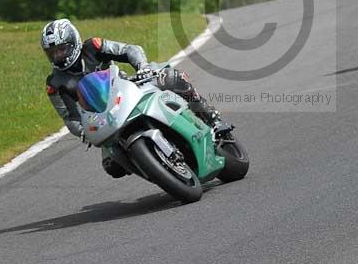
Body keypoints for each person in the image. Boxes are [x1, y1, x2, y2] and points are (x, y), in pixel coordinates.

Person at [41, 18, 229, 177]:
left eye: (61, 49)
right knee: (112, 167)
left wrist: (142, 67)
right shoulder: (54, 84)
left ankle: (211, 117)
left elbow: (129, 50)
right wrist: (83, 132)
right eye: (52, 53)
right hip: (103, 116)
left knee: (171, 77)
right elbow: (70, 118)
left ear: (73, 42)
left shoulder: (93, 47)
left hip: (126, 89)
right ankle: (158, 169)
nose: (58, 56)